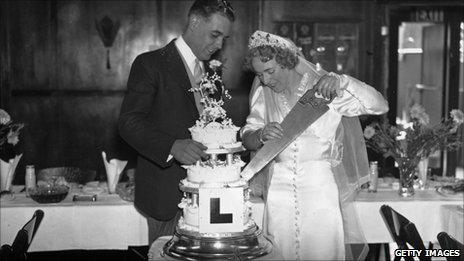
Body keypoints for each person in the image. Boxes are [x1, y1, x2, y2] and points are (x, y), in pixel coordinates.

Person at [241, 31, 389, 260]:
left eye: (270, 71)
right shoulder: (264, 94)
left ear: (287, 62)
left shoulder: (325, 89)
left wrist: (343, 81)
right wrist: (260, 134)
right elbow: (247, 136)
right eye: (260, 75)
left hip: (320, 190)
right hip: (278, 192)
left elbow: (379, 105)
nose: (266, 80)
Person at [118, 0, 234, 244]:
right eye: (215, 35)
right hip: (166, 197)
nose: (219, 45)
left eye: (224, 38)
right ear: (194, 22)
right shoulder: (150, 63)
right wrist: (172, 146)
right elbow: (128, 122)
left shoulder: (214, 72)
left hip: (209, 198)